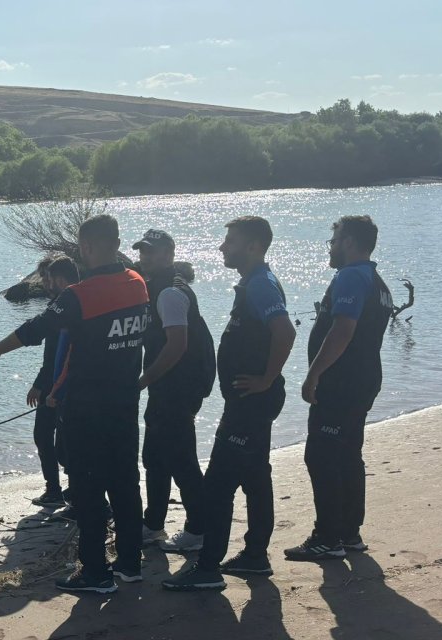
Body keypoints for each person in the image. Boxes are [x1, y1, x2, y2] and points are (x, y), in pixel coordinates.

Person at [0, 214, 151, 594]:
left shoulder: (81, 294)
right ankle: (129, 563)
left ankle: (95, 573)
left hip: (87, 407)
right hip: (125, 403)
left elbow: (35, 330)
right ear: (117, 241)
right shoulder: (138, 284)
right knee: (125, 483)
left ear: (86, 247)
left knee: (87, 489)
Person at [164, 216, 295, 592]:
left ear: (253, 246)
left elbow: (284, 331)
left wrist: (268, 378)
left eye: (231, 241)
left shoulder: (261, 285)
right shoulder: (253, 284)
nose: (223, 247)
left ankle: (207, 569)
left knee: (217, 486)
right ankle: (255, 555)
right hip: (252, 400)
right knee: (255, 477)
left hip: (251, 402)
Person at [286, 215, 394, 561]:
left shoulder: (351, 276)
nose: (330, 248)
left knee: (321, 455)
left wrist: (313, 373)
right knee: (348, 454)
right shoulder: (377, 281)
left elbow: (343, 330)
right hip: (363, 378)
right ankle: (349, 532)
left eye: (333, 241)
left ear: (349, 242)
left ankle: (328, 536)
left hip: (342, 382)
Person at [132, 229, 217, 554]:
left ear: (169, 252)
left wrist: (140, 381)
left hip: (178, 388)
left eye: (152, 252)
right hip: (165, 387)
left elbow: (177, 345)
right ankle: (153, 525)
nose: (145, 257)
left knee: (181, 459)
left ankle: (199, 529)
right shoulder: (158, 287)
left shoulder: (169, 292)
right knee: (154, 457)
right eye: (143, 252)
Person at [26, 255, 80, 507]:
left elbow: (53, 357)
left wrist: (40, 385)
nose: (46, 284)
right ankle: (62, 488)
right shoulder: (58, 306)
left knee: (53, 438)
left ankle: (58, 489)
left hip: (59, 384)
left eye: (49, 278)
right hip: (56, 380)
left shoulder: (62, 308)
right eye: (44, 279)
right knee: (53, 438)